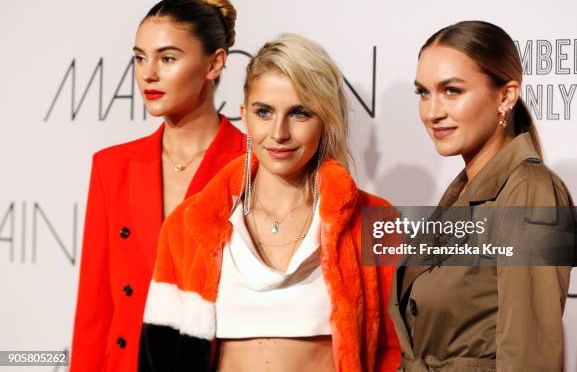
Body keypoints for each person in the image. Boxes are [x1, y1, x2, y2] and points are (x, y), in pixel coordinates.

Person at [139, 33, 400, 372]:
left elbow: (396, 353)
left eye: (300, 113)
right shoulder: (188, 225)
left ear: (326, 120)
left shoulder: (376, 220)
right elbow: (159, 356)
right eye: (264, 112)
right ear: (244, 115)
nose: (279, 133)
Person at [70, 0, 244, 372]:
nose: (148, 74)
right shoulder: (112, 166)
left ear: (214, 64)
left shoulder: (252, 163)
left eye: (167, 58)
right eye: (139, 58)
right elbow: (95, 308)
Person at [389, 21, 574, 371]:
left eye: (452, 91)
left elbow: (529, 355)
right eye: (423, 93)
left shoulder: (529, 191)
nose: (432, 112)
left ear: (506, 96)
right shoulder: (464, 194)